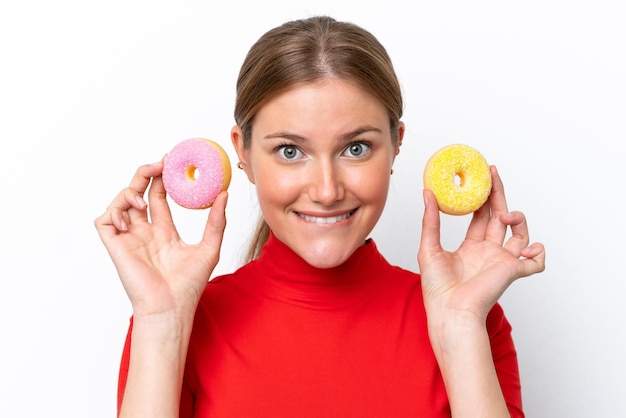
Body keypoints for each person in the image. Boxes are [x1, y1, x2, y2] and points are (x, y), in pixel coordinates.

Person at [95, 15, 545, 418]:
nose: (327, 191)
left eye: (356, 148)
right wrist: (161, 322)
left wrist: (460, 324)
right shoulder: (178, 320)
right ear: (243, 153)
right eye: (290, 151)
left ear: (396, 144)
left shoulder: (470, 317)